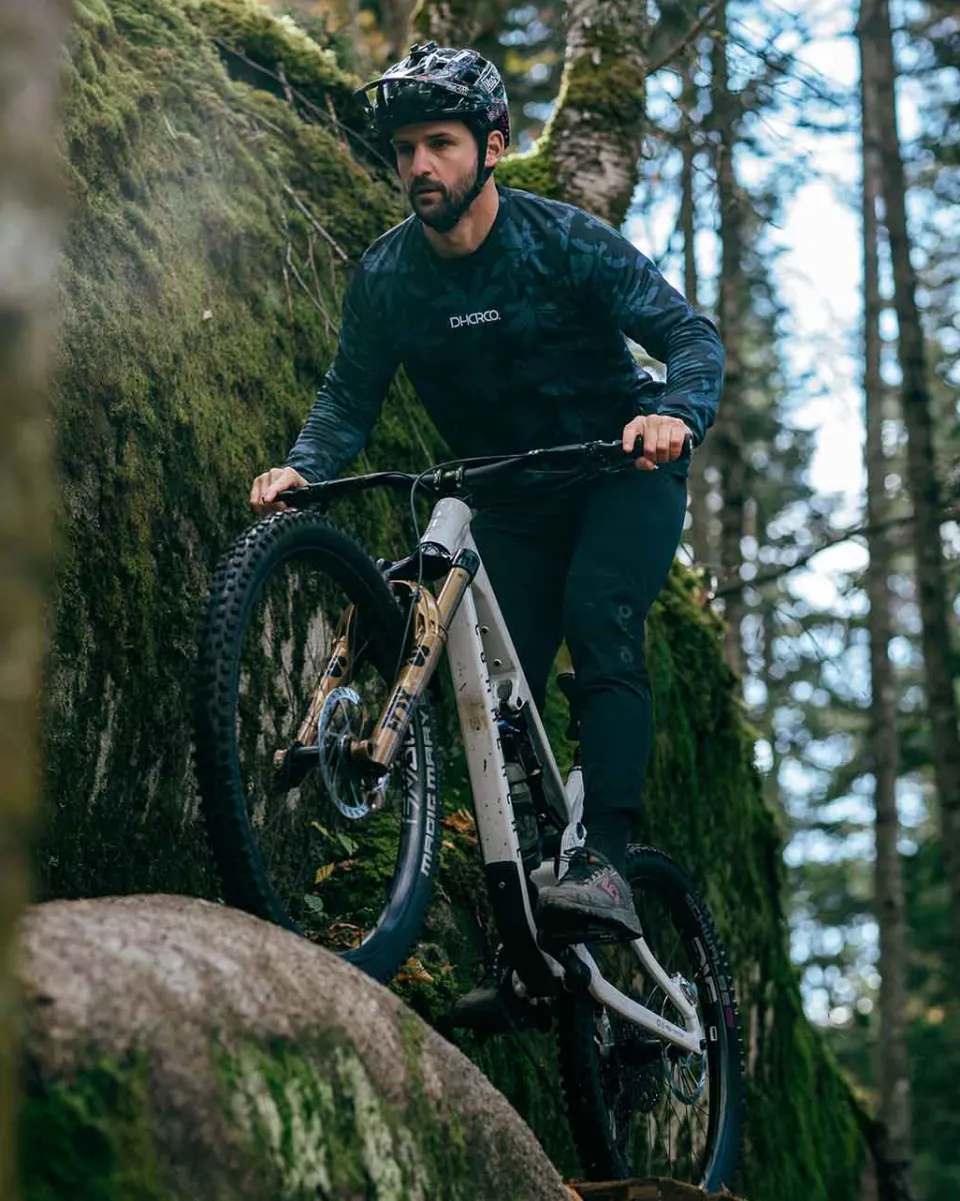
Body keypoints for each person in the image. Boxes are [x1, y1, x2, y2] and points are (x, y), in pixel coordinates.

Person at [250, 42, 724, 946]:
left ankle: (607, 858)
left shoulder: (561, 241)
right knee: (500, 699)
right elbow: (348, 397)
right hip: (511, 498)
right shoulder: (388, 276)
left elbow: (689, 335)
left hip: (620, 473)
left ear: (493, 147)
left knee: (599, 609)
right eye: (405, 150)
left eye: (440, 143)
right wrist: (306, 466)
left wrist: (672, 415)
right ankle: (523, 925)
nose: (419, 166)